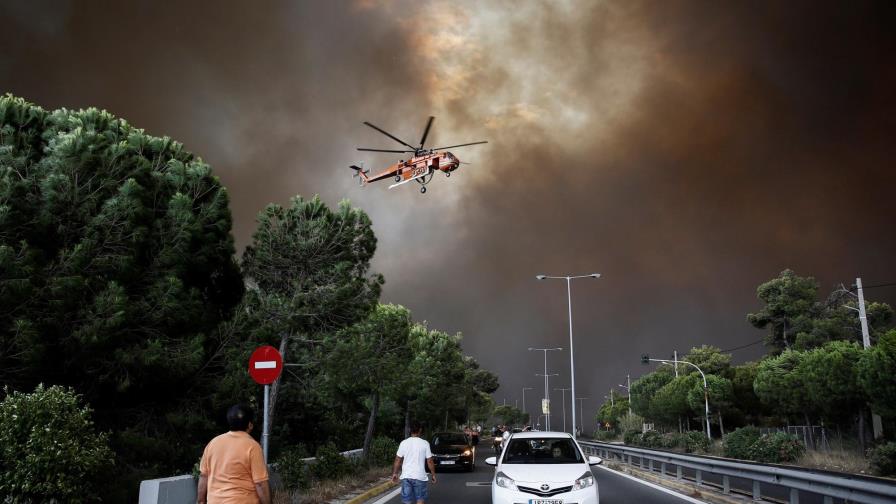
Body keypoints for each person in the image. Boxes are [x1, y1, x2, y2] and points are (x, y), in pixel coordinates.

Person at [197, 404, 271, 504]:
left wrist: (201, 501)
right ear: (250, 425)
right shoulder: (253, 447)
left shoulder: (213, 443)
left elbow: (203, 476)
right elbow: (260, 484)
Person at [392, 422, 436, 504]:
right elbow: (429, 461)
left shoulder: (403, 443)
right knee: (420, 499)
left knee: (406, 500)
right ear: (420, 430)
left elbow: (398, 459)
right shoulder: (425, 443)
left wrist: (395, 473)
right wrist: (433, 474)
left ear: (409, 430)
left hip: (406, 476)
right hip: (419, 476)